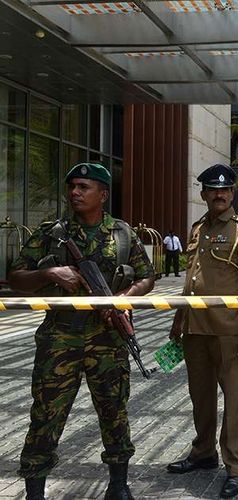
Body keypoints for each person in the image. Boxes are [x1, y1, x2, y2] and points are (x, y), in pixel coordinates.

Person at [9, 163, 155, 500]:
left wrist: (123, 299)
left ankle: (118, 485)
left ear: (102, 194)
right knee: (46, 413)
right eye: (72, 186)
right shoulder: (51, 232)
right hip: (60, 336)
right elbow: (16, 278)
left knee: (114, 410)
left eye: (84, 187)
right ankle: (35, 490)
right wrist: (50, 274)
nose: (75, 192)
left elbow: (146, 277)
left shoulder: (122, 233)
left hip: (108, 339)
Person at [167, 164, 238, 499]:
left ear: (232, 194)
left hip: (230, 331)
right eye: (212, 190)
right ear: (204, 194)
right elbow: (190, 280)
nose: (219, 195)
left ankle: (236, 466)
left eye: (225, 190)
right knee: (201, 397)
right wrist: (178, 321)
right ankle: (203, 452)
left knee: (235, 400)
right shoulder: (197, 229)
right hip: (196, 328)